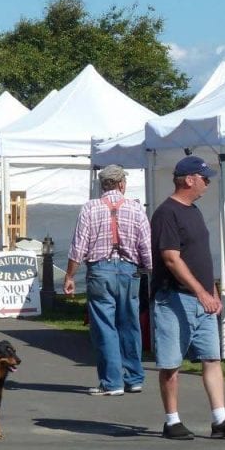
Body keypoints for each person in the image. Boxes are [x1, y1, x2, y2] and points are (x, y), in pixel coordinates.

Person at [150, 156, 225, 440]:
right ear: (188, 179)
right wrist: (200, 291)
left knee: (211, 358)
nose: (207, 182)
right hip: (174, 298)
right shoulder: (166, 213)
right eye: (204, 177)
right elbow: (171, 258)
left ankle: (220, 418)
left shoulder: (193, 211)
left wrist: (213, 289)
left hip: (201, 297)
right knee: (171, 365)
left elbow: (200, 256)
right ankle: (172, 421)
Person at [63, 164, 152, 396]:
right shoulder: (135, 208)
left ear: (102, 185)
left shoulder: (90, 208)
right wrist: (151, 272)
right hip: (129, 270)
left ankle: (112, 382)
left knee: (105, 327)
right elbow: (146, 246)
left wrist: (70, 275)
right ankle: (134, 378)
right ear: (122, 184)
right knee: (130, 324)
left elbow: (78, 246)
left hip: (100, 271)